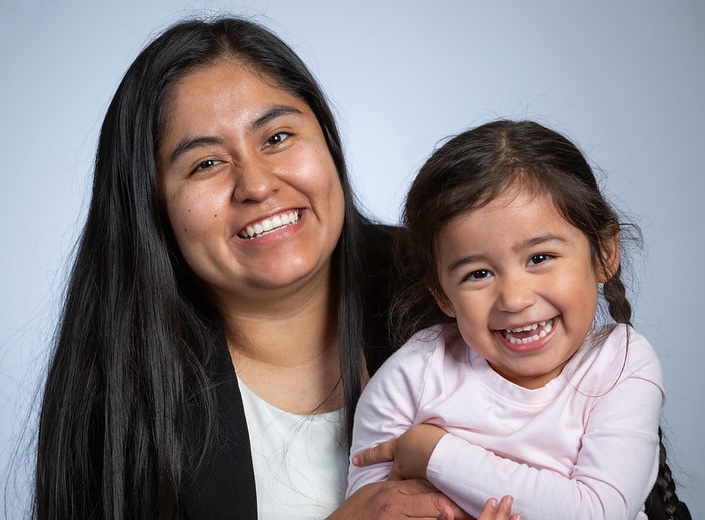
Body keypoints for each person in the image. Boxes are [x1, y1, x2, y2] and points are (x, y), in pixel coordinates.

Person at [32, 16, 520, 520]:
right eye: (205, 164)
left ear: (328, 142)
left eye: (278, 137)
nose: (257, 185)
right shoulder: (119, 398)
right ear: (152, 208)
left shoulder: (459, 293)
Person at [347, 120, 690, 519]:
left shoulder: (619, 363)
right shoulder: (413, 375)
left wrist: (432, 452)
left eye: (539, 258)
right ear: (442, 293)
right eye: (478, 273)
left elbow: (598, 511)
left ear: (605, 253)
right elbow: (372, 508)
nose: (514, 298)